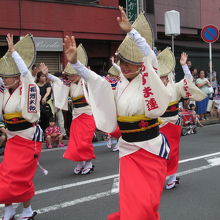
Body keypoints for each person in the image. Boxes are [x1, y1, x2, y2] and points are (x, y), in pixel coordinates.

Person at [64, 7, 172, 220]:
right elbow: (95, 81)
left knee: (147, 205)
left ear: (141, 65)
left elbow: (150, 56)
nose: (126, 67)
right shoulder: (118, 85)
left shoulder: (151, 77)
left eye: (131, 63)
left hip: (150, 149)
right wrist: (76, 63)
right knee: (132, 205)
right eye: (122, 62)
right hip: (128, 151)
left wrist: (132, 32)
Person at [0, 34, 43, 220]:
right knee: (6, 176)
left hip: (28, 138)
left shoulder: (28, 87)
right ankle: (9, 209)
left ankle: (26, 210)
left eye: (8, 77)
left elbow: (26, 74)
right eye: (3, 77)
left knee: (22, 178)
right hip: (12, 139)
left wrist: (14, 53)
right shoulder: (4, 91)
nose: (4, 80)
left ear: (18, 77)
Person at [44, 44, 96, 175]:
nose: (71, 78)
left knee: (85, 142)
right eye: (69, 75)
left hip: (88, 114)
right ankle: (80, 162)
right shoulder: (69, 84)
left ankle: (88, 162)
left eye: (73, 75)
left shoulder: (87, 81)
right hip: (77, 116)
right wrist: (47, 74)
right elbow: (59, 82)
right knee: (76, 142)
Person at [158, 51, 206, 189]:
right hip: (157, 124)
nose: (164, 79)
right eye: (161, 77)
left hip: (173, 123)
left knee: (172, 151)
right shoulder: (153, 88)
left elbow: (188, 80)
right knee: (158, 152)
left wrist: (184, 66)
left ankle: (172, 177)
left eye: (165, 77)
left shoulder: (176, 86)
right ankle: (159, 176)